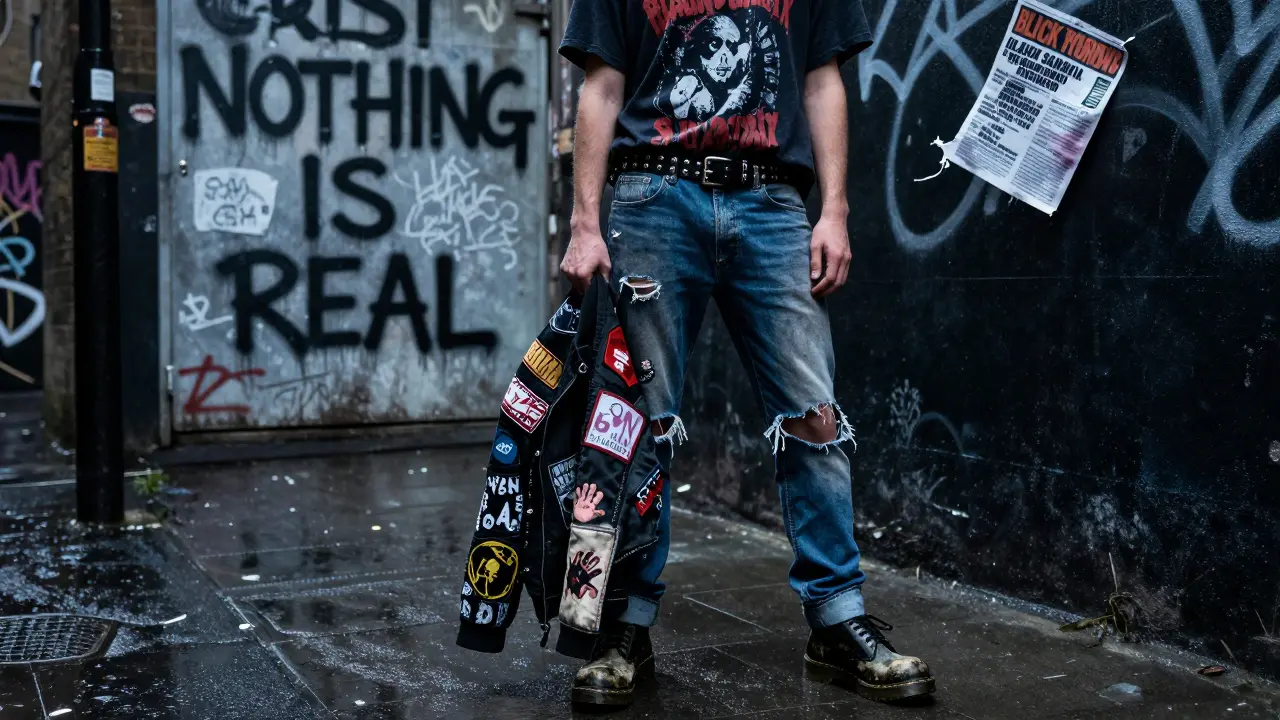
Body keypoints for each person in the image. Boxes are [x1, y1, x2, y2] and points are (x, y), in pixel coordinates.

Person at [557, 0, 937, 708]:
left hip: (772, 203)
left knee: (815, 416)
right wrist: (584, 223)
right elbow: (601, 88)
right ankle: (619, 626)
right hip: (653, 195)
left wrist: (834, 210)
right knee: (629, 423)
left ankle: (836, 621)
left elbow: (822, 82)